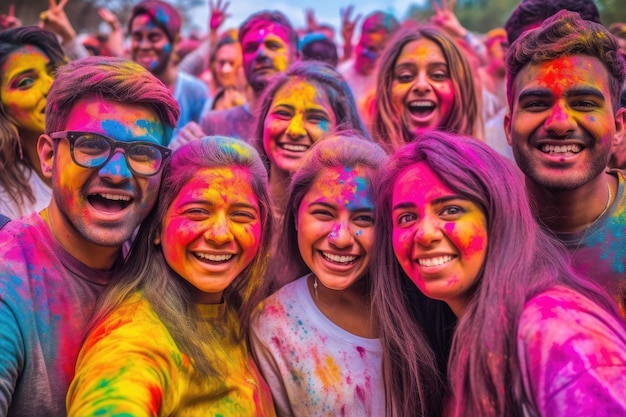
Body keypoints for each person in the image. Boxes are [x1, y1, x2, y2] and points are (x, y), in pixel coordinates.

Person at [372, 130, 626, 416]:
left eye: (451, 210)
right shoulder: (451, 332)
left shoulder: (555, 331)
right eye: (407, 217)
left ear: (498, 217)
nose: (425, 234)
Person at [0, 56, 179, 416]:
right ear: (49, 156)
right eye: (91, 145)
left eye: (143, 153)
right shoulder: (9, 285)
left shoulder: (163, 262)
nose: (116, 173)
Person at [67, 136, 276, 416]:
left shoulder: (238, 310)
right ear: (156, 228)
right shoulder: (132, 340)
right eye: (197, 212)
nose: (220, 234)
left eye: (241, 215)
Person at [251, 135, 441, 416]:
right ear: (295, 216)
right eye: (324, 213)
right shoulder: (273, 327)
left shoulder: (426, 301)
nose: (340, 239)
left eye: (364, 218)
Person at [504, 10, 626, 315]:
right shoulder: (483, 227)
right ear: (508, 127)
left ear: (618, 127)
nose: (559, 123)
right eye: (537, 104)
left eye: (584, 103)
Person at [253, 61, 367, 223]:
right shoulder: (241, 209)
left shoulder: (360, 221)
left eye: (315, 117)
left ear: (342, 129)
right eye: (283, 113)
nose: (295, 130)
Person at [173, 10, 300, 147]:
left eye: (273, 46)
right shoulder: (215, 124)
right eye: (251, 48)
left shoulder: (312, 124)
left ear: (296, 57)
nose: (261, 54)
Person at [372, 24, 480, 152]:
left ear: (462, 88)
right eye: (405, 76)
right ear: (387, 88)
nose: (421, 85)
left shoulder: (483, 169)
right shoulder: (367, 167)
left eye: (437, 75)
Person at [0, 26, 66, 219]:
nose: (51, 86)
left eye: (54, 72)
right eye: (26, 82)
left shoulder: (111, 157)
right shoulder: (6, 198)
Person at [128, 0, 209, 141]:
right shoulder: (124, 91)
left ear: (176, 42)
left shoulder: (195, 93)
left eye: (154, 37)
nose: (144, 46)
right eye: (137, 37)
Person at [337, 11, 399, 128]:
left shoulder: (394, 80)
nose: (364, 53)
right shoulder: (341, 75)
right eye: (365, 46)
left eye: (379, 50)